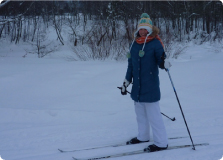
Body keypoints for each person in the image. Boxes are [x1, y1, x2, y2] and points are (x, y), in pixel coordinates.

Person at [120, 13, 171, 152]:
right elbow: (131, 66)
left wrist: (164, 63)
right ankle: (143, 136)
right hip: (137, 88)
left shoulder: (155, 43)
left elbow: (160, 60)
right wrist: (126, 82)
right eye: (140, 29)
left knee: (154, 116)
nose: (142, 31)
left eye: (145, 29)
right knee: (140, 115)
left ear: (149, 30)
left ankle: (161, 142)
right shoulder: (134, 44)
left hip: (150, 86)